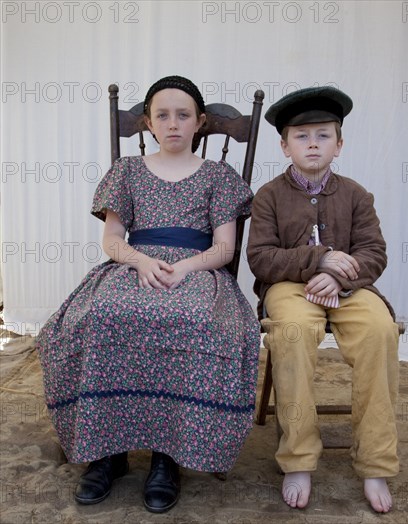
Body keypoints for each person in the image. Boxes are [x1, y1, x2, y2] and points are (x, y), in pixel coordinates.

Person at [36, 75, 261, 514]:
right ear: (148, 123)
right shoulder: (128, 171)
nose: (173, 123)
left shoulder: (218, 176)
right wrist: (138, 261)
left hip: (196, 269)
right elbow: (113, 239)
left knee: (193, 318)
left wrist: (185, 268)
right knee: (104, 313)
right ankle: (108, 451)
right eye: (162, 115)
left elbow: (224, 248)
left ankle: (167, 454)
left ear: (199, 123)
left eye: (183, 115)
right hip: (134, 263)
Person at [247, 86, 400, 513]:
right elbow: (261, 258)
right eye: (301, 136)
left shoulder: (356, 194)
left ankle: (375, 461)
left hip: (349, 289)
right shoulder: (269, 196)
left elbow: (374, 252)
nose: (312, 144)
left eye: (323, 135)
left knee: (380, 332)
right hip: (289, 288)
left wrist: (337, 276)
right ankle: (298, 457)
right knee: (293, 334)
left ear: (339, 143)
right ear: (284, 145)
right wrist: (320, 260)